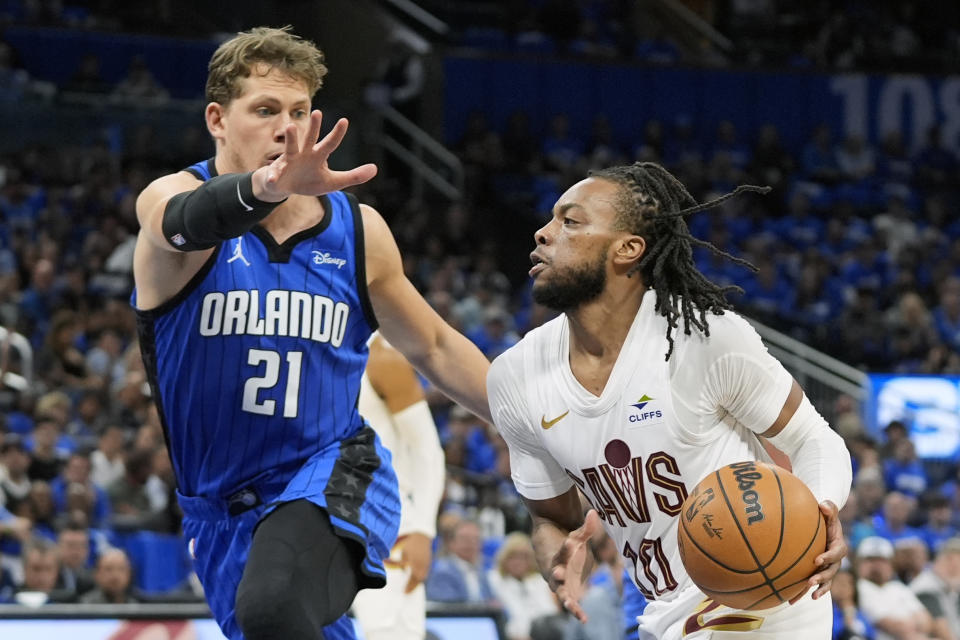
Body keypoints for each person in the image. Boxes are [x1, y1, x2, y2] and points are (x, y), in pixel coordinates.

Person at [130, 27, 490, 640]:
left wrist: (540, 430)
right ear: (217, 119)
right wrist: (259, 191)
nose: (286, 130)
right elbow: (180, 223)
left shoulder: (357, 229)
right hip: (218, 511)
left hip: (332, 469)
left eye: (299, 112)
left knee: (272, 607)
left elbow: (433, 346)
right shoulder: (173, 199)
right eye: (266, 110)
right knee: (280, 622)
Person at [486, 161, 851, 639]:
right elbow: (551, 516)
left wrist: (820, 514)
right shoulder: (515, 377)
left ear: (628, 249)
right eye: (551, 219)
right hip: (663, 611)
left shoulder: (702, 338)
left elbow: (813, 438)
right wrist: (559, 555)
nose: (542, 233)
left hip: (767, 602)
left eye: (569, 221)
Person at [351, 333, 445, 640]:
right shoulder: (308, 350)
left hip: (386, 529)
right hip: (321, 523)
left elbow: (427, 450)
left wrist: (423, 530)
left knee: (387, 634)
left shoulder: (382, 358)